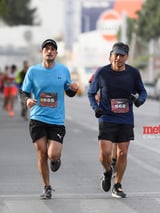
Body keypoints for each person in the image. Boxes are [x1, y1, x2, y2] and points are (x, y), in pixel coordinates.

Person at [20, 39, 78, 199]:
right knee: (41, 153)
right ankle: (47, 187)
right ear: (42, 52)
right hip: (37, 117)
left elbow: (69, 91)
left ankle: (56, 160)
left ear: (56, 53)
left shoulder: (63, 70)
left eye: (53, 49)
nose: (49, 51)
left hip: (56, 120)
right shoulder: (33, 71)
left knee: (52, 154)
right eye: (47, 49)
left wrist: (73, 89)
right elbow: (23, 92)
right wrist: (27, 100)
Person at [88, 42, 147, 198]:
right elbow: (90, 92)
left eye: (121, 55)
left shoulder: (133, 73)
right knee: (105, 153)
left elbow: (142, 91)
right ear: (110, 55)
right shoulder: (102, 73)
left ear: (126, 57)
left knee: (122, 153)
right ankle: (108, 172)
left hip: (125, 117)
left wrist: (140, 100)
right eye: (115, 55)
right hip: (107, 116)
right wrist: (96, 107)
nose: (118, 58)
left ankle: (117, 185)